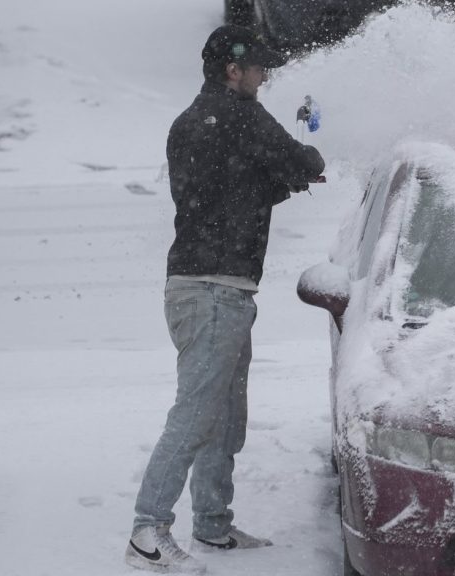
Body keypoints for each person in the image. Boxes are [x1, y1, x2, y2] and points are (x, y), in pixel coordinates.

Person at [125, 25, 325, 574]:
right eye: (259, 68)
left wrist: (291, 175)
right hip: (212, 291)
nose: (265, 77)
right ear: (233, 70)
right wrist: (310, 157)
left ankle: (212, 525)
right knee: (194, 415)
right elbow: (296, 160)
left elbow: (239, 189)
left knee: (225, 415)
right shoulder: (237, 115)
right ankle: (148, 530)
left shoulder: (197, 122)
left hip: (215, 287)